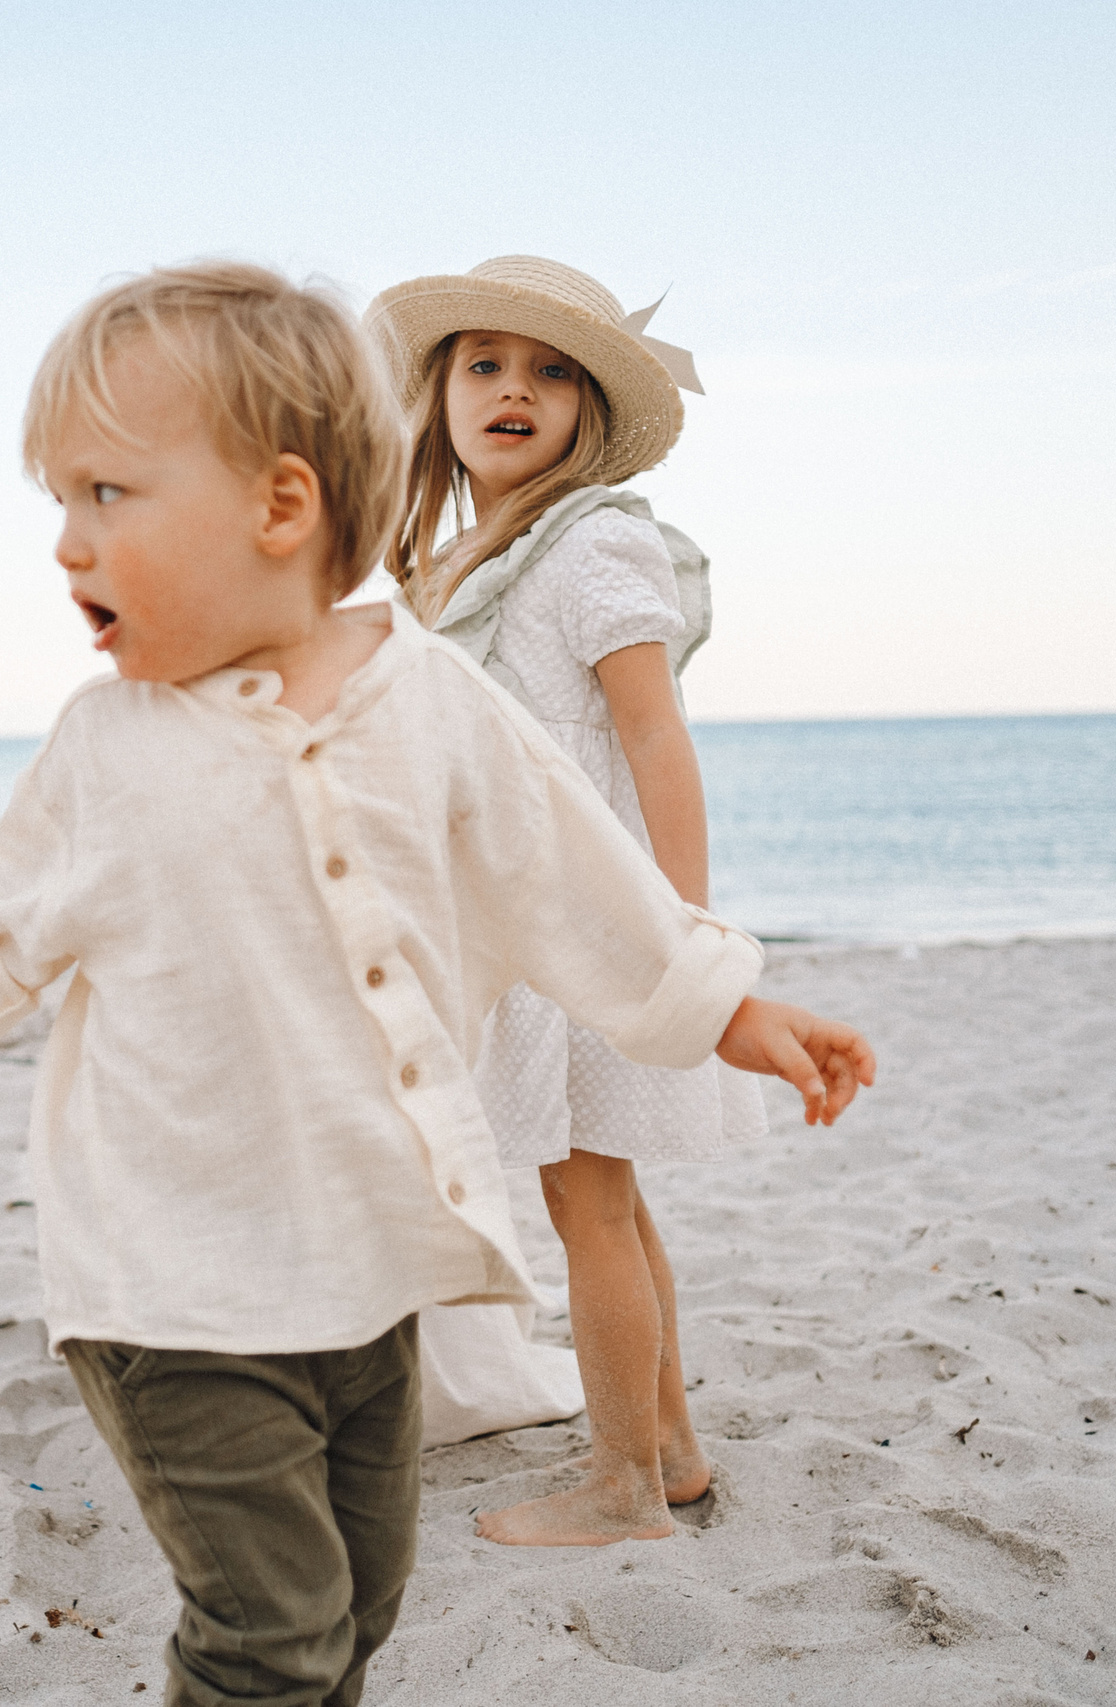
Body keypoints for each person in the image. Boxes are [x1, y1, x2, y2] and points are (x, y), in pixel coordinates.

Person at [0, 262, 874, 1706]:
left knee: (361, 1596)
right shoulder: (109, 748)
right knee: (267, 1634)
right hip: (171, 1292)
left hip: (371, 1273)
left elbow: (572, 878)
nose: (63, 547)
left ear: (280, 509)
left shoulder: (432, 696)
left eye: (106, 498)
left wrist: (729, 1009)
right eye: (60, 503)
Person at [366, 254, 767, 1548]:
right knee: (607, 1195)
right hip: (541, 924)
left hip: (599, 924)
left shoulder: (589, 540)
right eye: (484, 364)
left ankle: (623, 1485)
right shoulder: (465, 553)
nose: (514, 390)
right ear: (440, 396)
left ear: (590, 411)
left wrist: (680, 937)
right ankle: (675, 1451)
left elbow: (656, 737)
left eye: (550, 371)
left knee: (588, 1201)